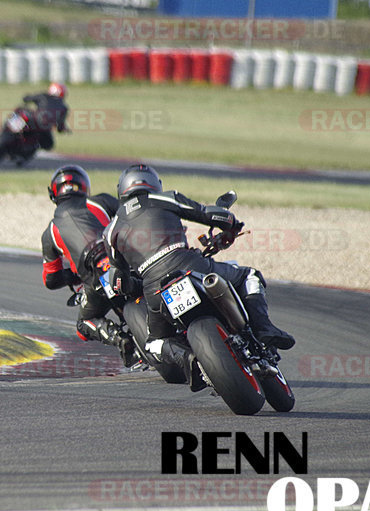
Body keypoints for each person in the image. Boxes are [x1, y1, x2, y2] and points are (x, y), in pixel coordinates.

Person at [103, 164, 295, 368]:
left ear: (121, 190)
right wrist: (231, 223)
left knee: (154, 344)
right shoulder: (164, 198)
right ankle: (264, 328)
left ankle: (189, 360)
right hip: (189, 265)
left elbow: (119, 281)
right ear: (154, 184)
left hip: (153, 288)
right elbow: (209, 214)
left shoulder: (110, 230)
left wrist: (138, 286)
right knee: (249, 276)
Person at [41, 165, 137, 367]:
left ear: (53, 193)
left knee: (84, 323)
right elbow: (132, 215)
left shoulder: (50, 232)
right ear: (85, 186)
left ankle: (118, 338)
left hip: (95, 281)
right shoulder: (100, 201)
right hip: (124, 261)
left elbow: (51, 279)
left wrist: (74, 275)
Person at [22, 82, 70, 151]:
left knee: (48, 144)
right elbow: (60, 127)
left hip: (33, 121)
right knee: (48, 145)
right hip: (44, 128)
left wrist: (26, 97)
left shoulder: (43, 96)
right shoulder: (64, 108)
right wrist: (64, 129)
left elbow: (26, 99)